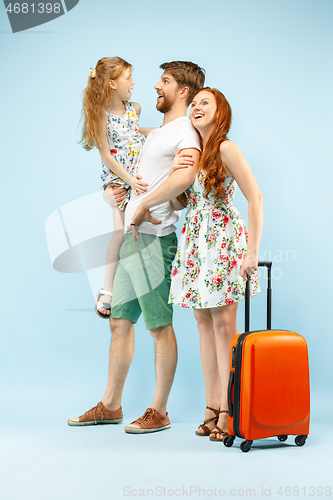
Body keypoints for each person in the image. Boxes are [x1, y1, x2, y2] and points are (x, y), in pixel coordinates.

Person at [68, 61, 205, 432]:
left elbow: (186, 179)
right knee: (119, 322)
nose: (155, 87)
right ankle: (111, 405)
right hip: (132, 236)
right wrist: (115, 194)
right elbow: (122, 154)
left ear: (184, 92)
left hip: (153, 240)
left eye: (165, 82)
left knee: (159, 327)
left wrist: (143, 205)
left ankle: (159, 411)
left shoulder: (186, 134)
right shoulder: (159, 131)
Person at [130, 88, 263, 441]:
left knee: (223, 326)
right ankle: (211, 406)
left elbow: (256, 197)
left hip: (222, 238)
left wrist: (252, 251)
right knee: (203, 324)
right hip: (195, 242)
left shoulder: (225, 148)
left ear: (221, 111)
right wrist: (174, 172)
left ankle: (229, 411)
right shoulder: (196, 153)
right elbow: (178, 205)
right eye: (193, 104)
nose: (196, 108)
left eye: (205, 102)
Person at [80, 56, 149, 319]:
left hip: (140, 178)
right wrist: (128, 180)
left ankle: (135, 287)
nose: (133, 82)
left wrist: (162, 131)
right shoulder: (99, 114)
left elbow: (134, 133)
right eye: (127, 78)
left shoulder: (135, 108)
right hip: (120, 181)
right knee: (119, 233)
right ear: (111, 84)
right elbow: (106, 154)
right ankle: (107, 288)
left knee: (140, 231)